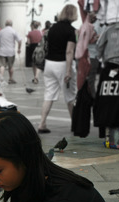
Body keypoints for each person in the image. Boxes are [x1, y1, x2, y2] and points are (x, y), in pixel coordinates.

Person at [38, 5, 78, 133]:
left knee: (49, 94)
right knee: (70, 96)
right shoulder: (71, 31)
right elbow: (69, 52)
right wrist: (68, 71)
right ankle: (75, 124)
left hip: (49, 64)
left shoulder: (52, 28)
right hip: (62, 64)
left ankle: (42, 123)